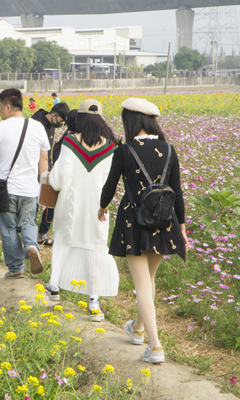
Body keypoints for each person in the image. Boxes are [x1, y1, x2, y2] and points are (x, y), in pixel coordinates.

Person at [99, 98, 189, 364]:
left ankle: (156, 346)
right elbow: (179, 194)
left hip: (134, 221)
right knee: (148, 281)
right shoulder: (169, 149)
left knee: (142, 286)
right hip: (165, 221)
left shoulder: (125, 150)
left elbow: (110, 186)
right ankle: (137, 329)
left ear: (132, 120)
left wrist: (101, 209)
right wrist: (182, 229)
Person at [45, 100, 119, 321]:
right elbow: (113, 183)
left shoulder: (69, 143)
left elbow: (57, 181)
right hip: (98, 209)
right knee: (95, 249)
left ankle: (54, 287)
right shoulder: (111, 148)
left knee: (63, 242)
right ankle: (94, 301)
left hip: (70, 206)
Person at [0, 88, 49, 279]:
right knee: (28, 222)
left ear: (8, 107)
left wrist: (1, 154)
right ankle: (31, 245)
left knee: (9, 228)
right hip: (30, 188)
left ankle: (16, 268)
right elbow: (44, 159)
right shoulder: (37, 127)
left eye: (0, 108)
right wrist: (43, 188)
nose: (0, 112)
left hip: (7, 189)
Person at [31, 102, 70, 246]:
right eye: (59, 122)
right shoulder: (37, 124)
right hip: (36, 169)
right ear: (52, 115)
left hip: (46, 167)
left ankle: (40, 234)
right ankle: (30, 236)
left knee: (49, 203)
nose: (59, 125)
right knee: (34, 203)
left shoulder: (49, 123)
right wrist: (44, 172)